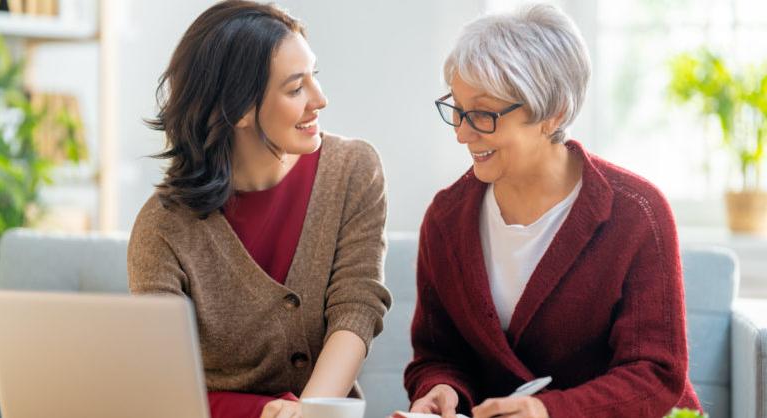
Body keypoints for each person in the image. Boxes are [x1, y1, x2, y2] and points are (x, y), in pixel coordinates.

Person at [403, 4, 702, 418]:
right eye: (456, 108)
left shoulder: (637, 212)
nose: (461, 133)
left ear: (553, 113)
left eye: (484, 114)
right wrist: (441, 388)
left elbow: (656, 375)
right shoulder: (446, 219)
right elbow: (437, 355)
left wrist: (548, 412)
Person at [127, 2, 391, 418]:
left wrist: (308, 412)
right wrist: (261, 411)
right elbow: (164, 385)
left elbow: (357, 306)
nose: (320, 100)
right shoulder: (162, 228)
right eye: (294, 88)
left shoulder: (354, 170)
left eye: (314, 76)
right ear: (238, 110)